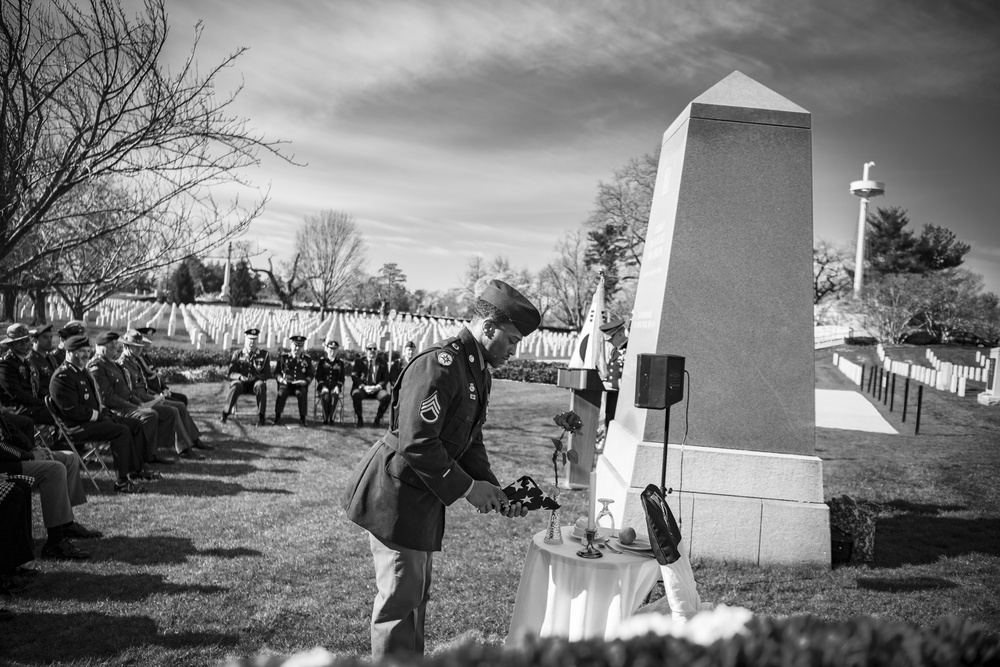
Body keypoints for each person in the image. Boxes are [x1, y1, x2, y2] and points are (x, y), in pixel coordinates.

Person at [342, 279, 541, 659]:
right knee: (399, 605)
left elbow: (469, 440)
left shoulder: (478, 369)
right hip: (397, 497)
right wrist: (470, 489)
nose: (515, 350)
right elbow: (417, 441)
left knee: (416, 597)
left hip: (422, 497)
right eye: (512, 339)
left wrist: (494, 490)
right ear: (487, 328)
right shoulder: (441, 364)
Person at [49, 335, 149, 494]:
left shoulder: (80, 371)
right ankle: (122, 482)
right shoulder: (62, 376)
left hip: (92, 419)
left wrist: (104, 413)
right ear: (69, 352)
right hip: (76, 427)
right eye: (81, 351)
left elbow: (94, 400)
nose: (85, 355)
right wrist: (98, 416)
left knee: (135, 424)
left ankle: (135, 470)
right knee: (121, 431)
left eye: (87, 351)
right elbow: (72, 411)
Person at [1, 408, 101, 559]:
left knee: (69, 458)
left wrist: (34, 449)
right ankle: (55, 543)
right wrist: (29, 455)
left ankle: (66, 524)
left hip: (14, 457)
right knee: (54, 470)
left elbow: (13, 431)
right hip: (6, 465)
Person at [118, 330, 211, 458]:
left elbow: (144, 385)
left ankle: (193, 440)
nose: (140, 349)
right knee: (172, 410)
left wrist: (156, 395)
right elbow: (132, 392)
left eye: (140, 346)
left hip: (147, 397)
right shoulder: (123, 364)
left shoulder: (134, 361)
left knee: (180, 406)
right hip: (140, 403)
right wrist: (152, 399)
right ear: (126, 346)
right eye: (136, 347)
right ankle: (184, 448)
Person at [87, 332, 176, 465]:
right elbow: (106, 398)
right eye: (110, 345)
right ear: (99, 347)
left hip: (125, 405)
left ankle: (149, 453)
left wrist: (138, 403)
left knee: (156, 412)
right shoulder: (97, 367)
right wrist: (133, 406)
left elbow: (127, 391)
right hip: (112, 410)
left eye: (115, 344)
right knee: (149, 415)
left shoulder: (112, 364)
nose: (115, 348)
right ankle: (144, 456)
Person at [0, 323, 55, 426]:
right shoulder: (6, 365)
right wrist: (42, 403)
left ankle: (62, 441)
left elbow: (37, 389)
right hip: (17, 409)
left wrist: (53, 399)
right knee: (58, 414)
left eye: (26, 340)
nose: (24, 344)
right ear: (10, 344)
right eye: (19, 342)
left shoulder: (27, 363)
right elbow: (18, 394)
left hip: (32, 406)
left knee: (63, 410)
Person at [223, 328, 271, 426]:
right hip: (241, 383)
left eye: (254, 340)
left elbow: (267, 374)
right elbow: (231, 373)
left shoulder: (264, 355)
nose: (251, 342)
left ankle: (262, 417)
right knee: (235, 385)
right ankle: (225, 414)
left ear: (257, 341)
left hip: (255, 384)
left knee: (261, 385)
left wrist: (257, 377)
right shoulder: (237, 354)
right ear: (245, 339)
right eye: (249, 339)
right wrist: (240, 377)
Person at [134, 327, 188, 406]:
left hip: (159, 391)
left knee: (183, 398)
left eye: (151, 338)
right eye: (147, 339)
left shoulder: (145, 357)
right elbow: (146, 382)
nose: (150, 341)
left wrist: (165, 388)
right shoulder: (139, 359)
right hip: (153, 394)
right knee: (179, 404)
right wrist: (160, 392)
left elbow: (156, 377)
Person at [274, 335, 314, 426]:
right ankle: (277, 417)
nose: (297, 348)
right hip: (286, 384)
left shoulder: (307, 359)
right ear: (291, 345)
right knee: (281, 393)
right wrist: (280, 379)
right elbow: (277, 372)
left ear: (303, 347)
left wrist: (306, 382)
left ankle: (303, 418)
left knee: (302, 393)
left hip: (299, 385)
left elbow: (310, 374)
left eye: (300, 346)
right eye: (295, 345)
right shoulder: (284, 358)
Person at [598, 318, 629, 431]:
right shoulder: (615, 350)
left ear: (620, 334)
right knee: (610, 426)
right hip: (613, 397)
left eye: (611, 339)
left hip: (622, 399)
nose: (609, 342)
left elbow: (631, 376)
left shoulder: (630, 349)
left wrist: (614, 384)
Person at [351, 342, 390, 428]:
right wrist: (364, 387)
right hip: (363, 389)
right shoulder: (359, 361)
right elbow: (354, 376)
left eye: (374, 349)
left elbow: (386, 378)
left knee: (386, 397)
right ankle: (359, 419)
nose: (372, 350)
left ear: (377, 351)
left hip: (377, 389)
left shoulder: (383, 363)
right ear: (366, 350)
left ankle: (377, 420)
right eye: (370, 349)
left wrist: (377, 387)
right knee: (356, 395)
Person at [315, 340, 345, 425]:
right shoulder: (322, 361)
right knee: (325, 395)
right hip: (323, 387)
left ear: (337, 350)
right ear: (327, 349)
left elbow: (342, 378)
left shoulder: (340, 363)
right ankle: (325, 419)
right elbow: (318, 376)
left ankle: (331, 418)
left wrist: (337, 387)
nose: (333, 351)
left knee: (335, 396)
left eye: (335, 349)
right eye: (331, 349)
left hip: (335, 387)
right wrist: (323, 387)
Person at [28, 324, 58, 399]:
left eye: (51, 337)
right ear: (34, 340)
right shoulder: (30, 360)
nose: (49, 340)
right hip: (42, 401)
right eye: (45, 337)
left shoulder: (51, 358)